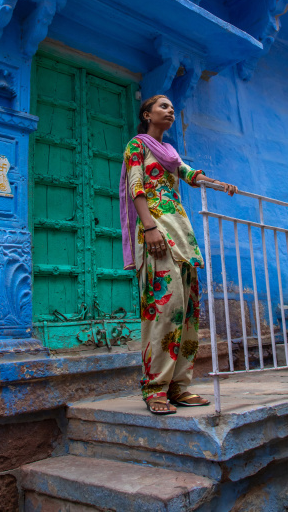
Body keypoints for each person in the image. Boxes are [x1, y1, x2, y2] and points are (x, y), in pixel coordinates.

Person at [120, 94, 237, 414]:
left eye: (172, 107)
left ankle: (180, 387)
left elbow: (190, 175)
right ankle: (155, 388)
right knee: (164, 310)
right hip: (156, 234)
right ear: (147, 114)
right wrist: (149, 228)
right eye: (163, 106)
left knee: (186, 313)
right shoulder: (137, 146)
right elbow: (136, 187)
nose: (170, 111)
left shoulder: (170, 153)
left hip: (182, 235)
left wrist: (217, 183)